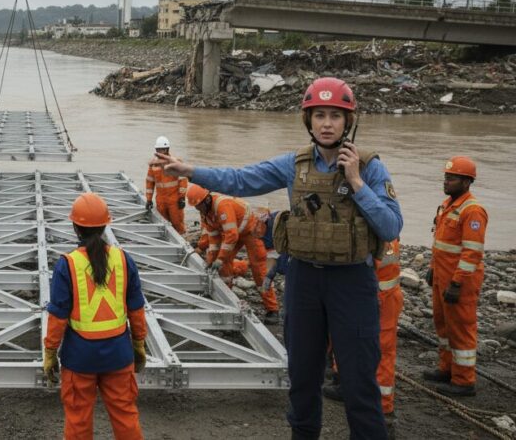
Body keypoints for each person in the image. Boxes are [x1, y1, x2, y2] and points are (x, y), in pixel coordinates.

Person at [152, 77, 403, 440]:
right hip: (304, 282)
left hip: (352, 283)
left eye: (335, 115)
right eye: (319, 115)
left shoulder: (369, 167)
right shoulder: (293, 165)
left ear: (348, 121)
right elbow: (240, 179)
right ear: (308, 120)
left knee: (359, 380)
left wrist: (357, 182)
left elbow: (391, 226)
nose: (327, 124)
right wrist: (190, 171)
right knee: (302, 375)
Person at [43, 192, 147, 440]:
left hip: (79, 358)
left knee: (78, 419)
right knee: (125, 416)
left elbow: (58, 316)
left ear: (75, 227)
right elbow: (136, 308)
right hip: (119, 355)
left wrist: (50, 352)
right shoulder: (124, 260)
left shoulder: (67, 264)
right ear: (104, 226)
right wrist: (138, 344)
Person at [422, 156, 487, 397]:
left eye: (452, 178)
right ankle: (446, 368)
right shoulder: (447, 205)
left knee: (460, 328)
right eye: (446, 177)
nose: (446, 181)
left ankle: (463, 381)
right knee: (442, 324)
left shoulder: (473, 211)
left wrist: (457, 283)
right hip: (442, 276)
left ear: (467, 182)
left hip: (460, 281)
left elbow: (472, 253)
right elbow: (440, 243)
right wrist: (432, 267)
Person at [324, 237, 404, 432]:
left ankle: (383, 410)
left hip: (381, 299)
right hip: (365, 294)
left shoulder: (375, 233)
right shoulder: (371, 229)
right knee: (345, 339)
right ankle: (344, 384)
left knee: (382, 351)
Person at [185, 184, 279, 324]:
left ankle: (272, 309)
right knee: (223, 265)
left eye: (198, 206)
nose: (198, 209)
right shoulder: (206, 213)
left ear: (207, 200)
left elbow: (231, 236)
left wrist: (220, 258)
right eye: (196, 207)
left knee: (259, 268)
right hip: (235, 232)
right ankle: (226, 295)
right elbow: (214, 239)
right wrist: (211, 259)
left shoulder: (222, 206)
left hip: (251, 231)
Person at [144, 136, 188, 234]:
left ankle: (182, 239)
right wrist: (149, 199)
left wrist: (182, 198)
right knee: (163, 223)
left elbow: (183, 180)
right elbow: (149, 183)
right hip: (161, 200)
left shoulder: (175, 162)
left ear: (167, 149)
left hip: (174, 200)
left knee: (177, 223)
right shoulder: (153, 164)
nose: (160, 152)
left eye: (162, 149)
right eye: (158, 150)